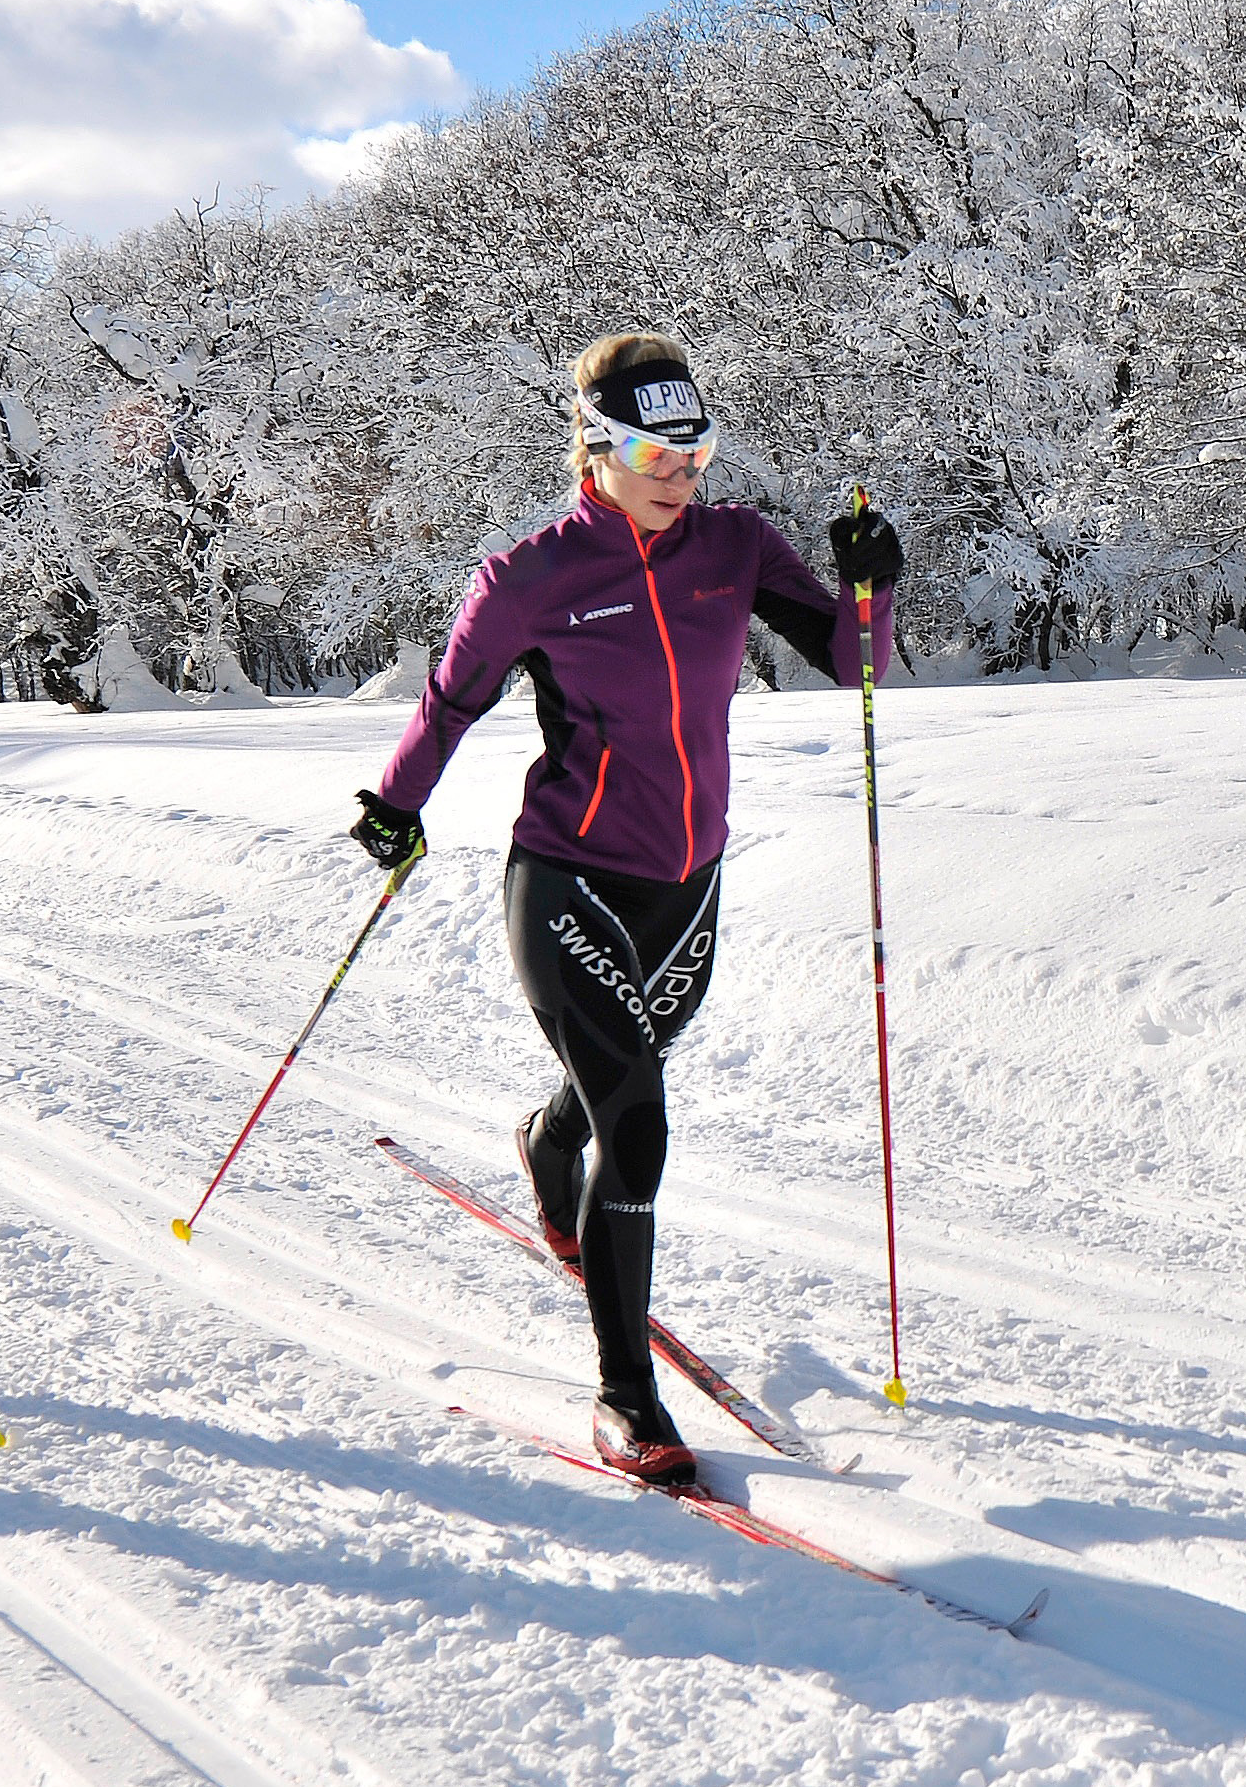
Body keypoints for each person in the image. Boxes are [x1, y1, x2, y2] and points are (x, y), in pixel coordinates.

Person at [353, 334, 900, 1491]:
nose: (680, 476)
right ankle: (623, 1394)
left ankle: (547, 1144)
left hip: (688, 884)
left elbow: (856, 663)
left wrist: (872, 581)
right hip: (569, 881)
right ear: (597, 448)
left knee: (612, 1087)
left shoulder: (735, 547)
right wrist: (395, 807)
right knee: (640, 1122)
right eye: (656, 453)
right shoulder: (531, 577)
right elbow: (451, 704)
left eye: (697, 453)